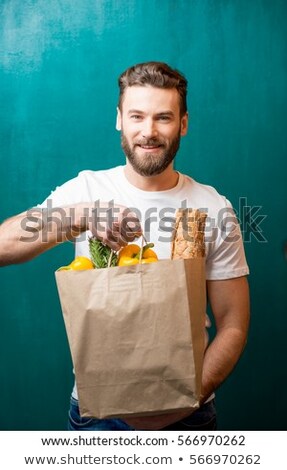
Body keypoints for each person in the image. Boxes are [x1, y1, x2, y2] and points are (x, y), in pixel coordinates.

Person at [0, 61, 250, 431]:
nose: (148, 132)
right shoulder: (86, 190)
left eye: (163, 118)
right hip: (97, 413)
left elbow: (233, 324)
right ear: (119, 119)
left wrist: (190, 395)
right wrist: (82, 216)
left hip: (189, 415)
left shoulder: (214, 208)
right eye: (137, 116)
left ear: (183, 123)